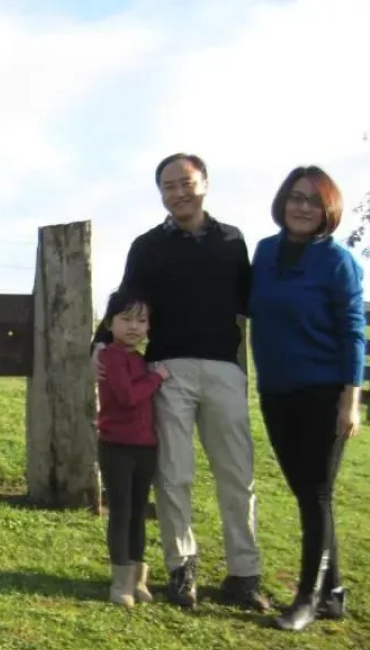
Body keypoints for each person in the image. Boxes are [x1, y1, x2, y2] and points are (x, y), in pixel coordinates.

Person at [118, 153, 269, 612]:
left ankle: (244, 575)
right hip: (169, 369)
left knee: (236, 474)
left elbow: (251, 302)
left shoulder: (232, 240)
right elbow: (126, 299)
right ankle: (181, 570)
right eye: (168, 186)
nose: (177, 193)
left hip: (226, 368)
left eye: (185, 183)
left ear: (204, 183)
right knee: (174, 473)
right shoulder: (147, 246)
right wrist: (101, 346)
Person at [248, 165, 365, 631]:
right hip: (276, 390)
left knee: (315, 493)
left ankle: (307, 600)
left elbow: (354, 332)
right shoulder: (265, 252)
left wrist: (349, 400)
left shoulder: (338, 262)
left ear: (327, 210)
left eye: (312, 201)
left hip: (324, 392)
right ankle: (333, 591)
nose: (301, 207)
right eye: (295, 197)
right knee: (307, 493)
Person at [94, 289, 169, 607]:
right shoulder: (110, 356)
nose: (134, 327)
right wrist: (156, 379)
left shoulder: (140, 359)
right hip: (116, 446)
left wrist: (151, 373)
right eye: (125, 319)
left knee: (139, 513)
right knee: (121, 512)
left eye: (141, 320)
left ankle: (139, 577)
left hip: (145, 447)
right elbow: (126, 397)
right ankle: (119, 582)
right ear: (110, 323)